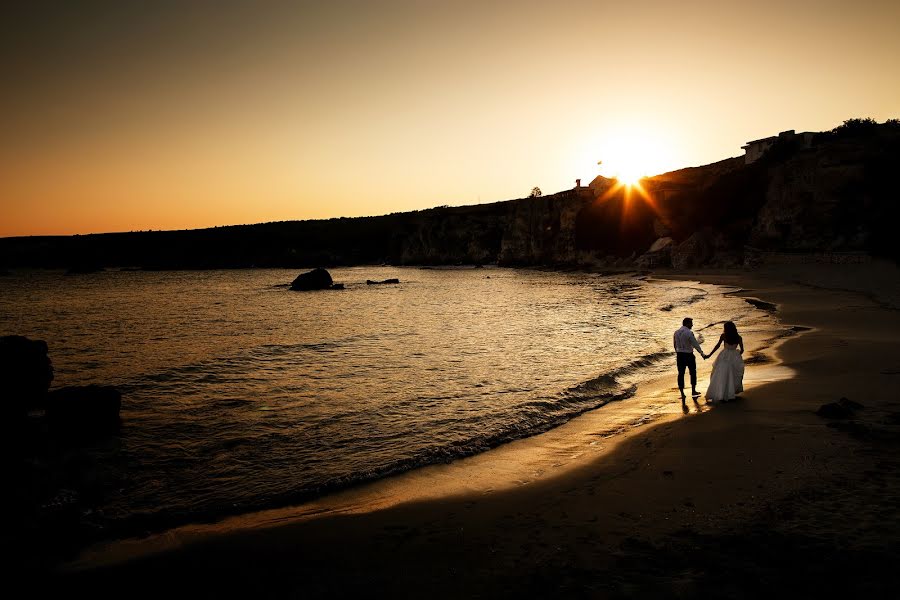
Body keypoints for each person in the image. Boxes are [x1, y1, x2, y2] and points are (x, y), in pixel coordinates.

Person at [704, 321, 745, 402]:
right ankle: (730, 392)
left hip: (724, 356)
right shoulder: (739, 337)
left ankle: (721, 392)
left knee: (720, 374)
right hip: (735, 356)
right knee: (733, 375)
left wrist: (709, 355)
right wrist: (737, 355)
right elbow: (742, 350)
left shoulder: (724, 336)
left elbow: (717, 346)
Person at [673, 317, 706, 400]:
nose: (692, 325)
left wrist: (677, 353)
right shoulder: (689, 333)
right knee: (693, 372)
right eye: (691, 323)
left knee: (681, 374)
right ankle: (693, 391)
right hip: (688, 355)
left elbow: (675, 344)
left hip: (680, 355)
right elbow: (695, 344)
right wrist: (702, 353)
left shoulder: (676, 332)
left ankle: (682, 393)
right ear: (687, 323)